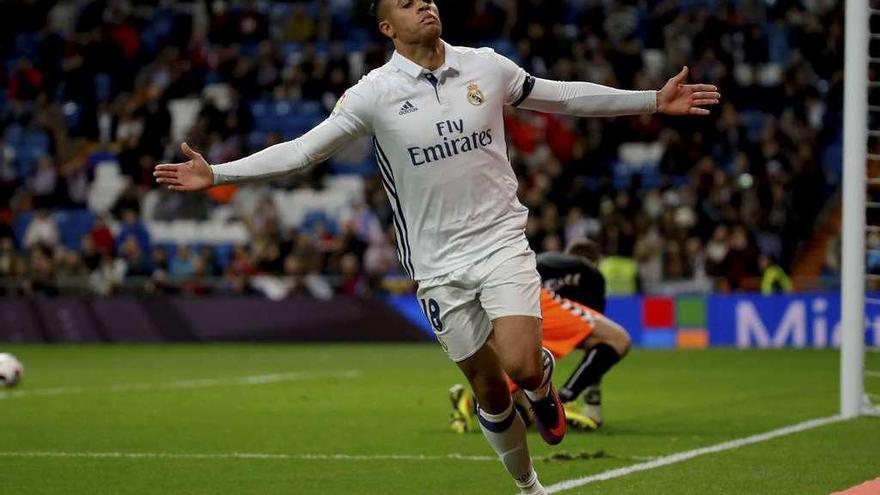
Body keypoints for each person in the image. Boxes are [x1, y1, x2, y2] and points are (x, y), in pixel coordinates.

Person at [154, 1, 720, 492]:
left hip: (500, 241)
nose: (424, 5)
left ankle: (543, 381)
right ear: (386, 28)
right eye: (406, 3)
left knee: (521, 364)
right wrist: (220, 173)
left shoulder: (486, 65)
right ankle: (529, 485)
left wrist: (650, 100)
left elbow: (563, 97)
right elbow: (304, 151)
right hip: (436, 266)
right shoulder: (374, 94)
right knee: (489, 391)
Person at [449, 238, 631, 433]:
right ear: (596, 261)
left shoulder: (548, 263)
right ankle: (563, 402)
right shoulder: (590, 273)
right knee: (616, 338)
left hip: (502, 300)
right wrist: (592, 403)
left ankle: (469, 402)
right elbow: (598, 341)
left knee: (525, 413)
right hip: (531, 296)